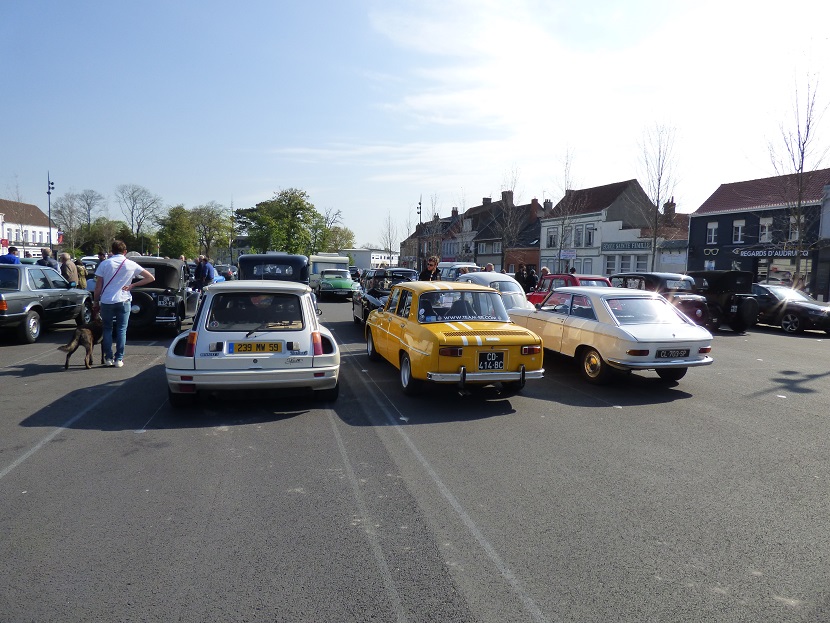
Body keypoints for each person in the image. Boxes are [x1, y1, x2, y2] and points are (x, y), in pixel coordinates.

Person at [93, 240, 154, 367]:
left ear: (112, 251)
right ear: (125, 252)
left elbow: (98, 286)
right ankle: (119, 358)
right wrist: (133, 285)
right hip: (124, 299)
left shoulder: (104, 264)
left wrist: (96, 302)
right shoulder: (131, 264)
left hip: (107, 300)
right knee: (122, 329)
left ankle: (108, 358)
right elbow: (150, 278)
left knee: (107, 329)